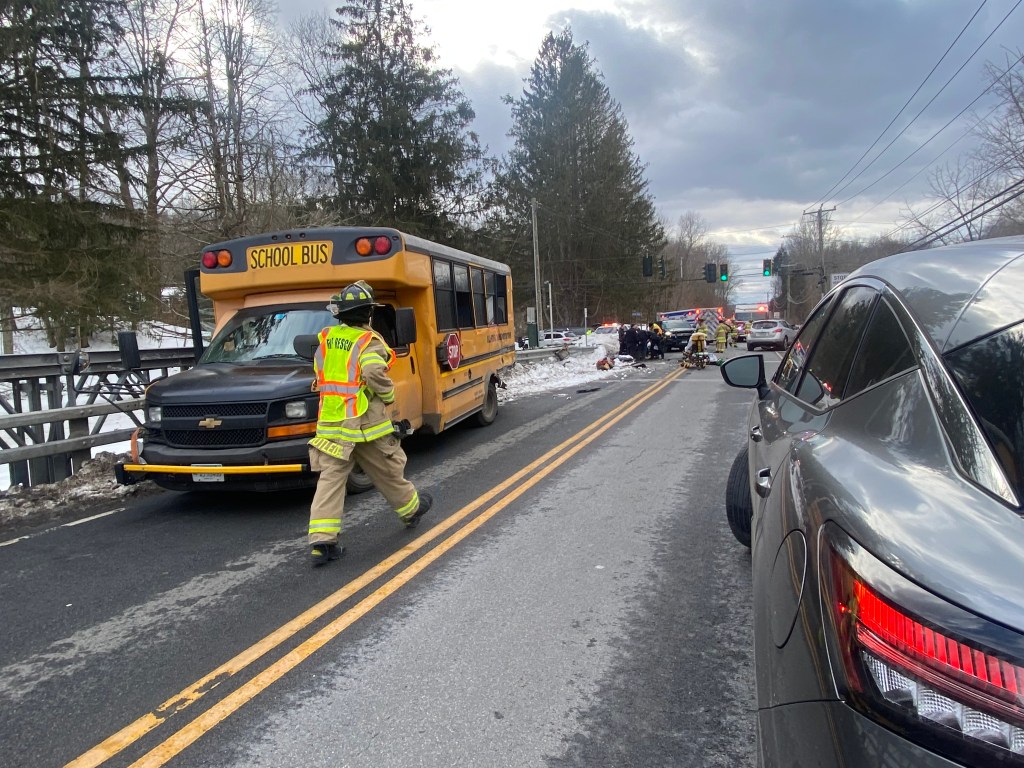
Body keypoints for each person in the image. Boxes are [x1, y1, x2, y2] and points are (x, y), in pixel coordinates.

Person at [306, 280, 432, 566]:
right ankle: (411, 510)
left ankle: (322, 542)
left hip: (333, 423)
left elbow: (320, 371)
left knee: (330, 480)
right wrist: (388, 396)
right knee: (387, 468)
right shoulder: (367, 341)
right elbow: (374, 372)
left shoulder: (327, 338)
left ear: (340, 314)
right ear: (368, 313)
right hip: (365, 423)